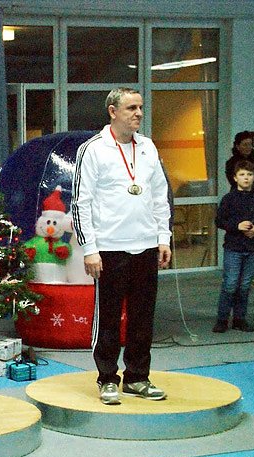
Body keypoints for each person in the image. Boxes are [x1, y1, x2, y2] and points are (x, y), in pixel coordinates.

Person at [71, 87, 172, 405]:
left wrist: (163, 237)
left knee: (143, 317)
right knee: (109, 318)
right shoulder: (93, 149)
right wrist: (90, 248)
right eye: (131, 108)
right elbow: (80, 202)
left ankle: (138, 377)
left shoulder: (148, 147)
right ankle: (107, 379)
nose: (138, 113)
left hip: (146, 245)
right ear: (112, 111)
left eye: (140, 107)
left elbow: (160, 196)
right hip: (109, 248)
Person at [212, 160, 254, 334]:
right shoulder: (229, 199)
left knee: (245, 285)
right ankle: (222, 319)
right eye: (242, 174)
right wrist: (237, 226)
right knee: (230, 283)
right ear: (235, 178)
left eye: (250, 175)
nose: (246, 178)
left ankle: (239, 319)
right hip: (234, 247)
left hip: (253, 247)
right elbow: (219, 221)